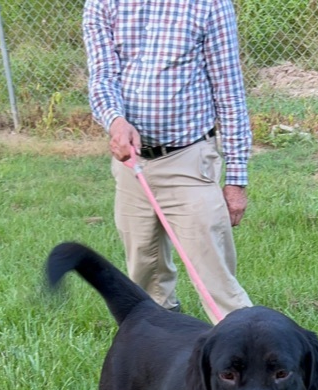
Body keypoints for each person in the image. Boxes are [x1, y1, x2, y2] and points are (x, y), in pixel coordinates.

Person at [82, 0, 252, 322]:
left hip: (189, 159)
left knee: (215, 280)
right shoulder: (103, 3)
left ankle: (247, 354)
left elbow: (229, 92)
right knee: (145, 276)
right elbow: (103, 76)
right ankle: (159, 345)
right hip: (132, 165)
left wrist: (236, 180)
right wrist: (116, 121)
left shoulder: (209, 5)